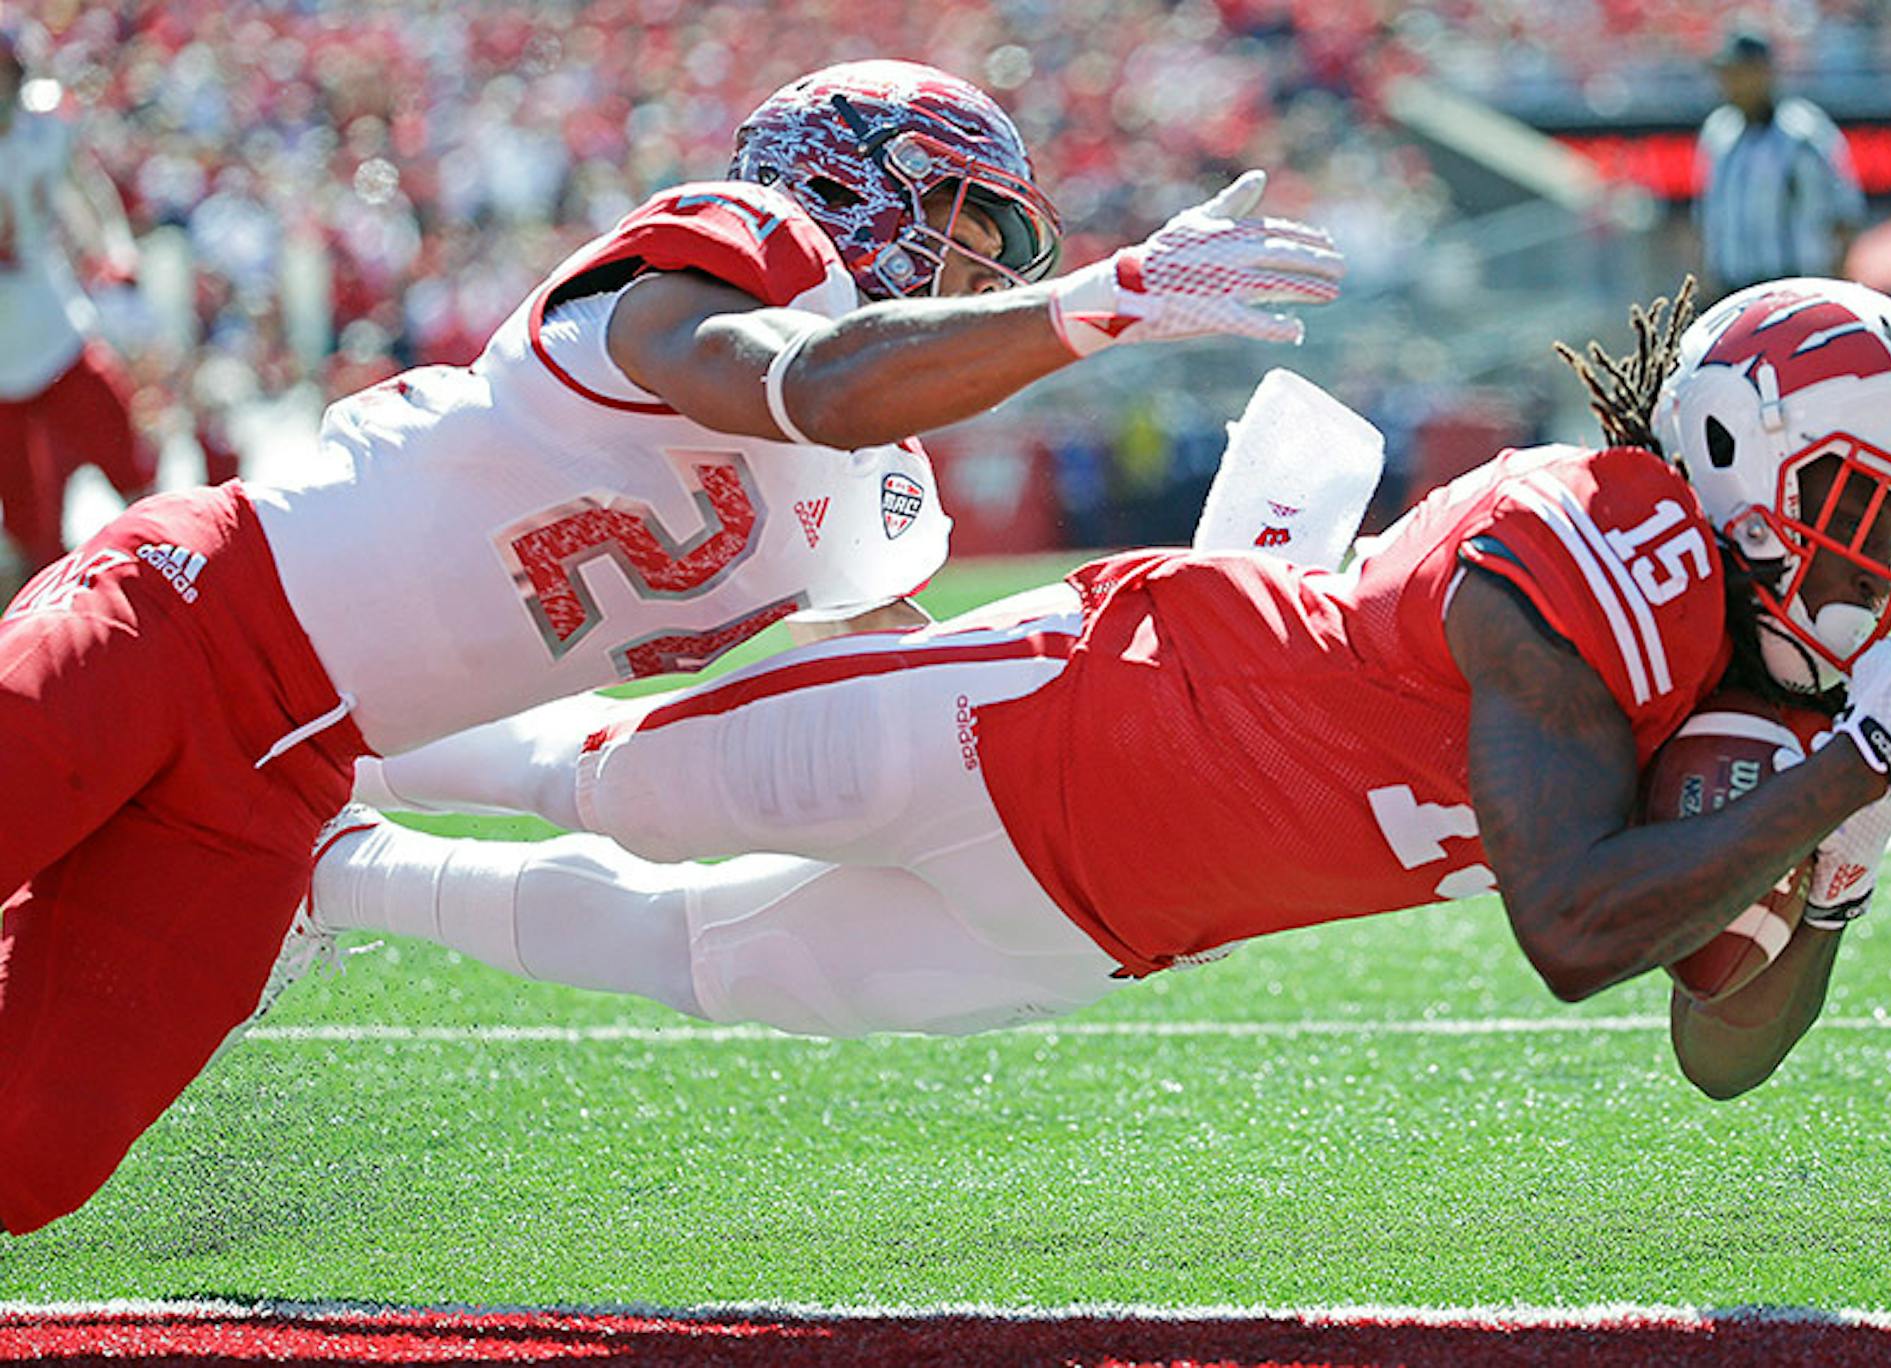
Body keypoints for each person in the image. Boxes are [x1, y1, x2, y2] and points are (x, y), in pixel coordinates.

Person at [0, 58, 1344, 1236]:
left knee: (29, 1162)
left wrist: (1170, 807)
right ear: (851, 177)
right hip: (183, 613)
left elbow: (909, 718)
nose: (975, 262)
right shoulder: (731, 249)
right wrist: (1098, 302)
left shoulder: (882, 498)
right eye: (957, 218)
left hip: (283, 790)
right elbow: (806, 384)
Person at [312, 276, 1891, 1108]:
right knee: (622, 782)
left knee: (697, 958)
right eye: (1860, 519)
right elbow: (1570, 928)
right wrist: (1846, 760)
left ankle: (324, 876)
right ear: (1725, 457)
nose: (1871, 584)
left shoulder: (1766, 719)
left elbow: (1720, 1049)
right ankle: (288, 727)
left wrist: (1837, 866)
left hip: (1104, 916)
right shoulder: (1607, 531)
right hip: (1047, 714)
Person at [0, 19, 157, 600]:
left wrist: (113, 248)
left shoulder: (45, 122)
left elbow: (82, 186)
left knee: (133, 470)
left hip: (55, 327)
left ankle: (166, 582)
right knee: (29, 530)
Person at [1693, 26, 1866, 299]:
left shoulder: (1802, 133)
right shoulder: (1718, 132)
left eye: (1739, 72)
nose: (1728, 82)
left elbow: (1843, 214)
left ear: (1763, 72)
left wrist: (1837, 287)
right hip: (1732, 289)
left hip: (1795, 289)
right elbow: (1709, 220)